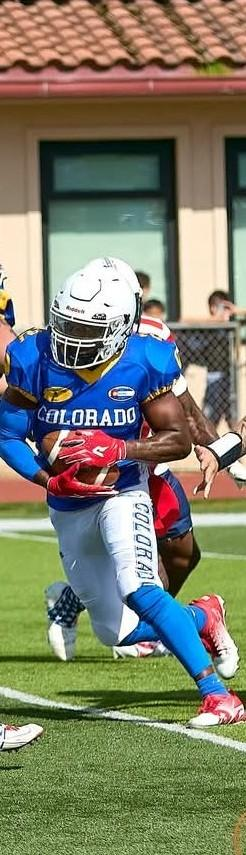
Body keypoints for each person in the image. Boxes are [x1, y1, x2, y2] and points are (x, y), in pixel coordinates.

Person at [0, 257, 244, 728]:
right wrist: (48, 479)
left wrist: (119, 448)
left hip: (123, 490)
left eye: (88, 330)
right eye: (69, 324)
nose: (73, 339)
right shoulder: (34, 357)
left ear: (121, 327)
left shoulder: (143, 358)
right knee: (118, 631)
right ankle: (202, 616)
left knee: (139, 586)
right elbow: (8, 435)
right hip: (67, 504)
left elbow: (175, 437)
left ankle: (218, 696)